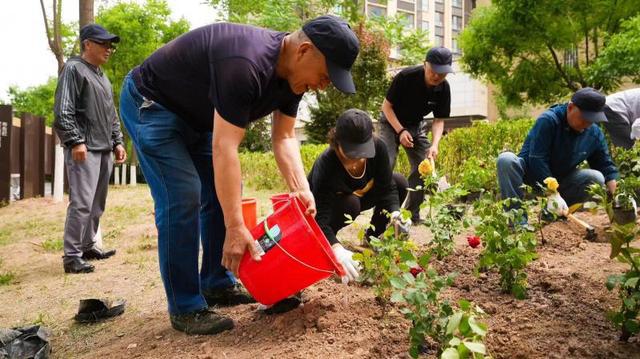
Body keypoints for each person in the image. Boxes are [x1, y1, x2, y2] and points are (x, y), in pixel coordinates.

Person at [119, 15, 360, 335]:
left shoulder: (294, 79)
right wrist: (235, 226)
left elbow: (285, 137)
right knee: (183, 194)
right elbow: (225, 148)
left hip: (199, 117)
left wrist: (302, 189)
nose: (323, 85)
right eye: (326, 76)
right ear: (303, 51)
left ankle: (217, 282)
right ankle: (185, 306)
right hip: (152, 104)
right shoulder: (245, 63)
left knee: (225, 193)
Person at [53, 24, 127, 274]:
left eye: (110, 45)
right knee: (82, 203)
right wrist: (75, 140)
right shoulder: (73, 69)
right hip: (84, 148)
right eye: (104, 43)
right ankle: (72, 256)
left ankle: (87, 245)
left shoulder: (101, 76)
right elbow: (63, 110)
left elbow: (111, 113)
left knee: (97, 203)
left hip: (104, 147)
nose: (109, 49)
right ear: (87, 44)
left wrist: (117, 141)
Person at [308, 109, 410, 281]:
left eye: (363, 151)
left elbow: (387, 188)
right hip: (332, 208)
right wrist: (336, 249)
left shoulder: (379, 148)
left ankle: (373, 238)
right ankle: (328, 244)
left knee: (399, 182)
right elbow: (320, 216)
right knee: (351, 204)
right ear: (336, 141)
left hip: (360, 197)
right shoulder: (326, 163)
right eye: (352, 152)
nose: (359, 158)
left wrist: (395, 213)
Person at [497, 88, 619, 218]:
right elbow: (537, 159)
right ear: (570, 107)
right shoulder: (549, 120)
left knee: (596, 178)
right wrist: (552, 192)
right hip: (529, 175)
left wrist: (619, 197)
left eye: (592, 120)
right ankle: (517, 222)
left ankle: (552, 216)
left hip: (562, 180)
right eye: (584, 118)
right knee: (506, 160)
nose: (587, 124)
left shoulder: (594, 133)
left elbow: (605, 166)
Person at [378, 47, 454, 224]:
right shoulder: (406, 77)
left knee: (424, 167)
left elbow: (438, 120)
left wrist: (434, 145)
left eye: (442, 73)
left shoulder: (443, 88)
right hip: (391, 122)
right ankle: (381, 216)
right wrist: (400, 131)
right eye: (433, 71)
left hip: (415, 125)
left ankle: (412, 213)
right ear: (424, 64)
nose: (437, 76)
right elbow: (386, 107)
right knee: (386, 164)